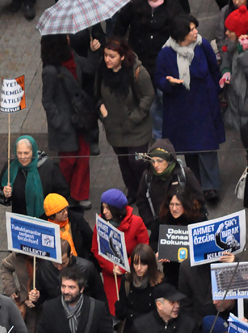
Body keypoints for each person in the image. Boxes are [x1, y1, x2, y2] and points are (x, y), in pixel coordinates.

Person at [155, 15, 225, 202]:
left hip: (203, 102)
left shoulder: (202, 46)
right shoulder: (166, 54)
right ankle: (197, 184)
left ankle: (211, 187)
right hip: (181, 107)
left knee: (207, 146)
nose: (196, 32)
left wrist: (217, 89)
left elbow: (213, 68)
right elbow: (159, 79)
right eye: (191, 29)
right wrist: (169, 82)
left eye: (195, 28)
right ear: (180, 35)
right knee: (190, 149)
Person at [41, 35, 101, 209]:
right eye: (65, 36)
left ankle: (80, 194)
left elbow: (89, 67)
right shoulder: (50, 71)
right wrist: (58, 122)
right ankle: (64, 195)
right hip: (66, 124)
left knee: (83, 157)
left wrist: (93, 50)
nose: (69, 37)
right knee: (68, 162)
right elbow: (47, 101)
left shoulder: (72, 56)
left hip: (80, 119)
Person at [96, 42, 155, 204]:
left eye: (112, 56)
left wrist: (133, 118)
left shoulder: (138, 72)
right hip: (114, 128)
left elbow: (148, 96)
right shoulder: (102, 70)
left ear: (122, 57)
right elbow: (96, 94)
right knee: (124, 162)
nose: (107, 59)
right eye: (105, 55)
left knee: (137, 161)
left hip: (137, 129)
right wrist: (104, 115)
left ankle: (146, 191)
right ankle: (133, 191)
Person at [114, 0, 184, 93]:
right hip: (139, 56)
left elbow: (180, 27)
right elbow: (120, 27)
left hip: (161, 57)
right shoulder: (133, 3)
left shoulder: (172, 5)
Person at [92, 190, 150, 316]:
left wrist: (124, 266)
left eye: (108, 208)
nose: (104, 211)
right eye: (103, 207)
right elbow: (96, 250)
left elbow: (144, 247)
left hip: (133, 272)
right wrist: (110, 267)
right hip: (111, 274)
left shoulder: (136, 222)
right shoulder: (101, 224)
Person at [136, 139, 205, 232]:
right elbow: (141, 201)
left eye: (160, 161)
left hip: (185, 224)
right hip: (160, 226)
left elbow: (199, 199)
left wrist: (191, 218)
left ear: (169, 160)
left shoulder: (184, 174)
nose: (156, 165)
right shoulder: (147, 176)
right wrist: (151, 224)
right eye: (153, 161)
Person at [0, 135, 70, 218]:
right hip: (21, 221)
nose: (23, 157)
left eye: (26, 153)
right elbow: (0, 192)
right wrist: (5, 194)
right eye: (19, 153)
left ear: (33, 151)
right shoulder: (10, 168)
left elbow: (63, 191)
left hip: (46, 219)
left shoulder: (48, 167)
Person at [151, 188, 206, 287]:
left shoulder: (198, 219)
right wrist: (159, 251)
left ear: (186, 205)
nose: (174, 209)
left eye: (178, 205)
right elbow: (153, 241)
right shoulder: (163, 219)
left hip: (194, 270)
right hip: (171, 270)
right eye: (171, 204)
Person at [115, 244, 164, 333]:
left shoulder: (158, 283)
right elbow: (122, 311)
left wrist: (130, 314)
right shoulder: (127, 280)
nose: (139, 268)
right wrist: (120, 309)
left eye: (143, 264)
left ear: (150, 264)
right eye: (136, 263)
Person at [220, 3, 248, 150]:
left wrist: (244, 54)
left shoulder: (243, 50)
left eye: (230, 30)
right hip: (239, 108)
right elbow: (227, 58)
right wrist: (225, 70)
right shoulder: (232, 44)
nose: (226, 33)